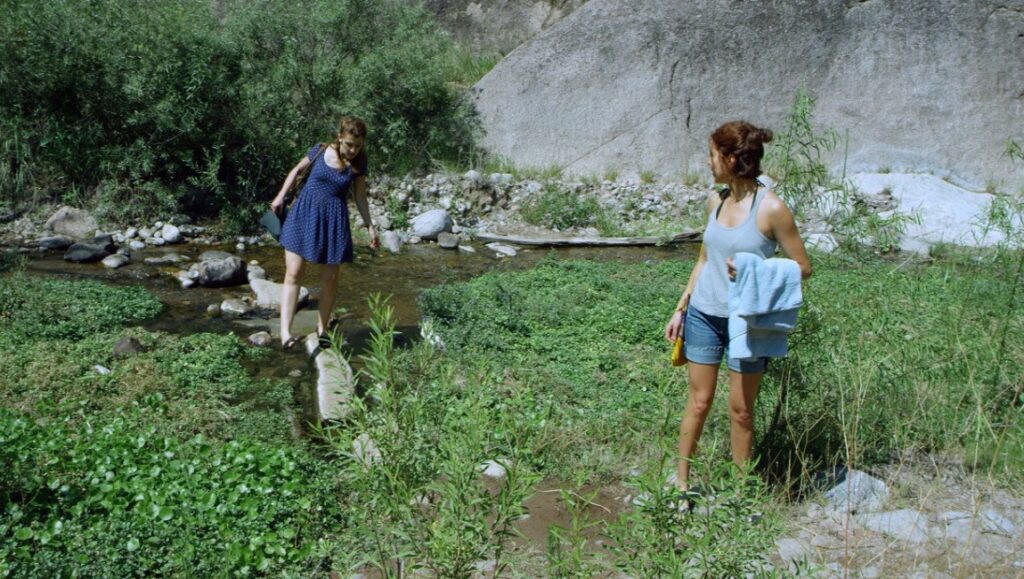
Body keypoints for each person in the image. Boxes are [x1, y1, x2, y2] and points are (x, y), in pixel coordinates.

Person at [663, 120, 812, 502]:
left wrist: (754, 269)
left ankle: (740, 496)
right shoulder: (717, 200)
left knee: (742, 412)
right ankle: (680, 485)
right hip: (703, 315)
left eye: (712, 155)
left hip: (747, 323)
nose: (708, 163)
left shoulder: (772, 208)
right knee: (698, 401)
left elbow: (803, 267)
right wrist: (681, 307)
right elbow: (703, 258)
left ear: (731, 158)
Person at [270, 116, 380, 348]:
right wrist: (280, 196)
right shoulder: (320, 150)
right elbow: (296, 170)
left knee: (330, 279)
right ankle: (285, 333)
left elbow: (360, 197)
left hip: (333, 221)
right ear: (340, 137)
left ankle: (322, 330)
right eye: (349, 144)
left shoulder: (359, 163)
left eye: (358, 146)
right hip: (303, 214)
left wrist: (370, 225)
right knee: (293, 273)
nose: (353, 150)